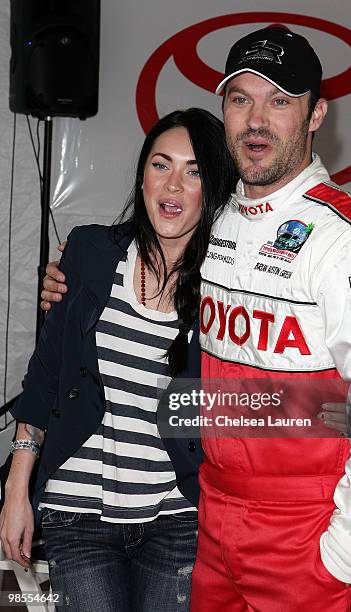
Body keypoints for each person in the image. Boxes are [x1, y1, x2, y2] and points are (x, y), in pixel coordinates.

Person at [39, 27, 351, 612]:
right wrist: (68, 282)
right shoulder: (220, 223)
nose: (256, 120)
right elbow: (138, 253)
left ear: (317, 115)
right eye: (241, 99)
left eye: (280, 101)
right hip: (211, 521)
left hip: (309, 534)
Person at [0, 108, 237, 612]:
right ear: (142, 175)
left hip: (178, 516)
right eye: (160, 164)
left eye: (194, 171)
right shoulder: (88, 253)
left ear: (214, 187)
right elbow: (44, 379)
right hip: (76, 508)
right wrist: (16, 490)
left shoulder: (228, 284)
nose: (172, 185)